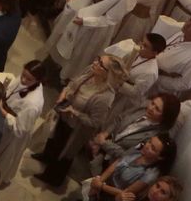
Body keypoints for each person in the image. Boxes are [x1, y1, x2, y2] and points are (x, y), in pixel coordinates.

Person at [34, 54, 128, 187]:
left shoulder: (105, 97)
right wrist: (64, 94)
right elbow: (73, 83)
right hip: (65, 114)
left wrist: (75, 112)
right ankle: (46, 157)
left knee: (64, 151)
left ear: (108, 74)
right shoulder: (90, 72)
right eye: (98, 59)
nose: (95, 63)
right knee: (54, 139)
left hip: (76, 128)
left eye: (100, 64)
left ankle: (53, 178)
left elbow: (95, 122)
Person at [48, 0, 140, 79]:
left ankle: (64, 76)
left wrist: (86, 21)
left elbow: (111, 19)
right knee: (65, 37)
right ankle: (54, 64)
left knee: (79, 51)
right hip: (87, 9)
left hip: (97, 24)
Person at [0, 61, 49, 187]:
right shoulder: (25, 79)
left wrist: (2, 111)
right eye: (23, 74)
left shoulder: (32, 104)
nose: (23, 79)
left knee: (1, 158)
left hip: (12, 133)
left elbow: (19, 129)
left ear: (38, 80)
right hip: (5, 116)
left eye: (29, 79)